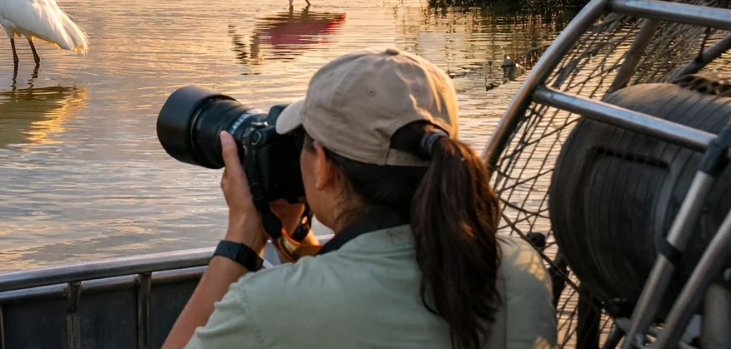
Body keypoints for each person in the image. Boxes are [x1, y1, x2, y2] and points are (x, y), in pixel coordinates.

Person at [164, 47, 557, 349]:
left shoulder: (267, 305)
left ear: (323, 166)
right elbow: (369, 276)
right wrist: (294, 239)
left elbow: (342, 292)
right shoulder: (518, 269)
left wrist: (242, 236)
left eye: (301, 142)